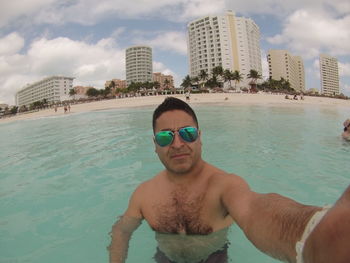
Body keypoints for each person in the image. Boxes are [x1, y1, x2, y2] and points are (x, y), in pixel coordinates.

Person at [109, 97, 350, 263]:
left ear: (200, 138)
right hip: (164, 259)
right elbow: (121, 231)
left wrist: (312, 235)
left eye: (187, 133)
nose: (178, 144)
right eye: (164, 137)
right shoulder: (143, 194)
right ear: (154, 145)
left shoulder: (225, 185)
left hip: (214, 258)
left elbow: (255, 209)